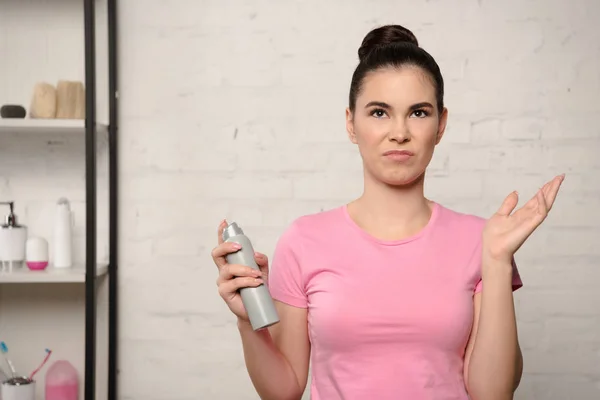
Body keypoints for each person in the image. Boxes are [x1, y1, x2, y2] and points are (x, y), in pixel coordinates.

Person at [211, 24, 564, 400]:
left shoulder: (484, 240)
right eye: (379, 112)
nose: (399, 132)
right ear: (351, 122)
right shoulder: (304, 240)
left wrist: (496, 261)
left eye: (418, 112)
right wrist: (249, 324)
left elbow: (493, 393)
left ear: (441, 124)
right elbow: (283, 391)